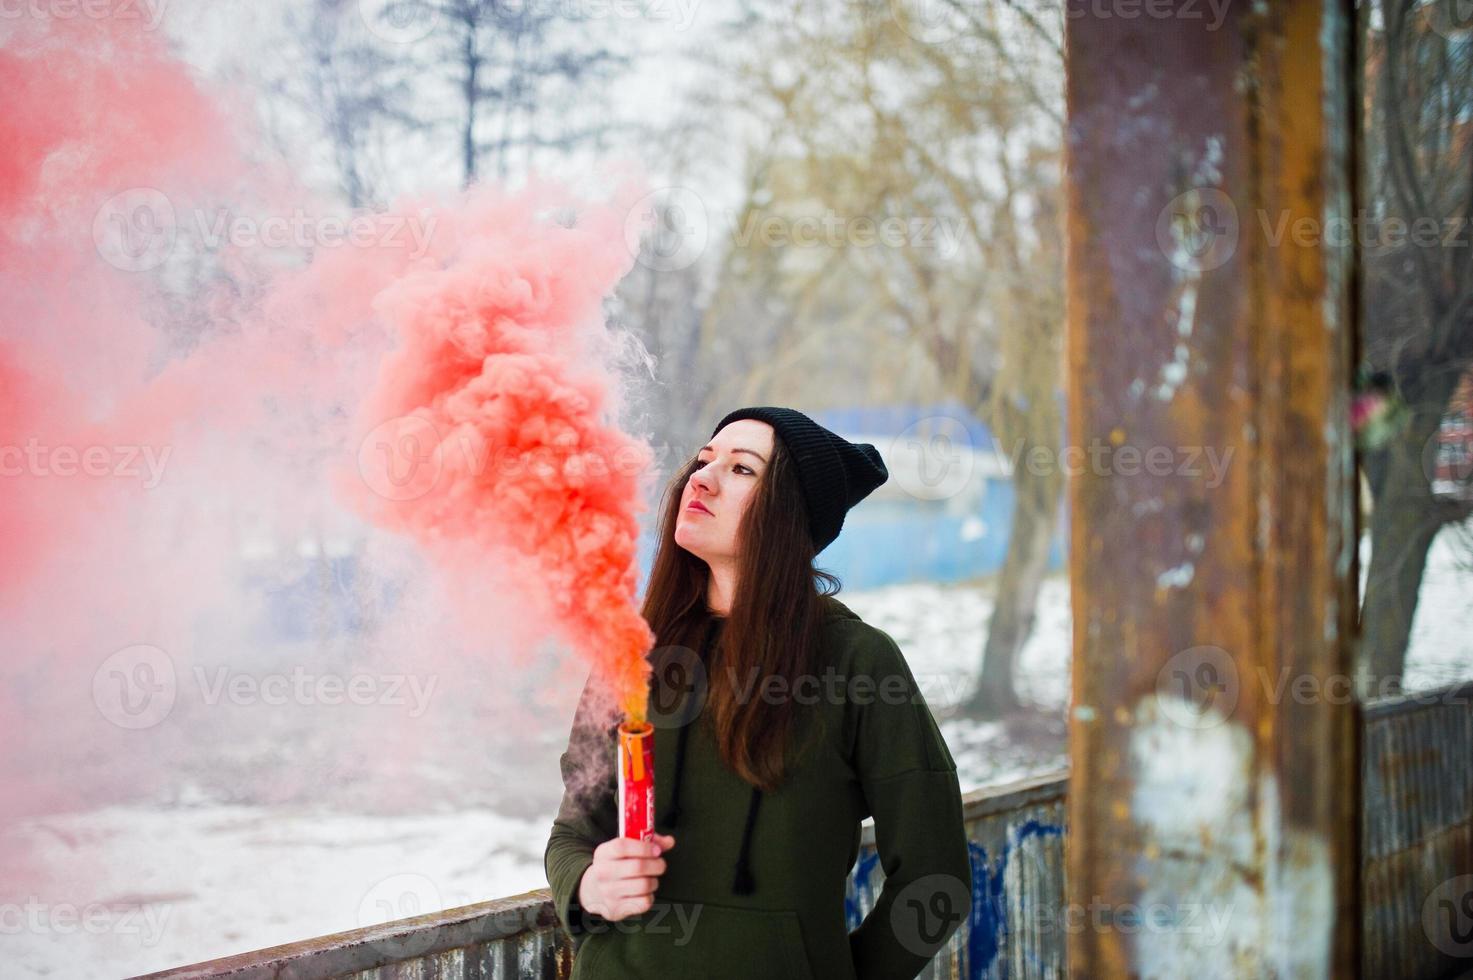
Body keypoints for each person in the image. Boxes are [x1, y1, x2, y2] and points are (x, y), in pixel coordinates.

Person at [544, 406, 971, 979]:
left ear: (790, 514)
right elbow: (575, 832)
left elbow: (933, 873)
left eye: (742, 469)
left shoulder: (858, 663)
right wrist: (589, 885)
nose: (702, 477)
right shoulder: (634, 654)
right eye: (704, 459)